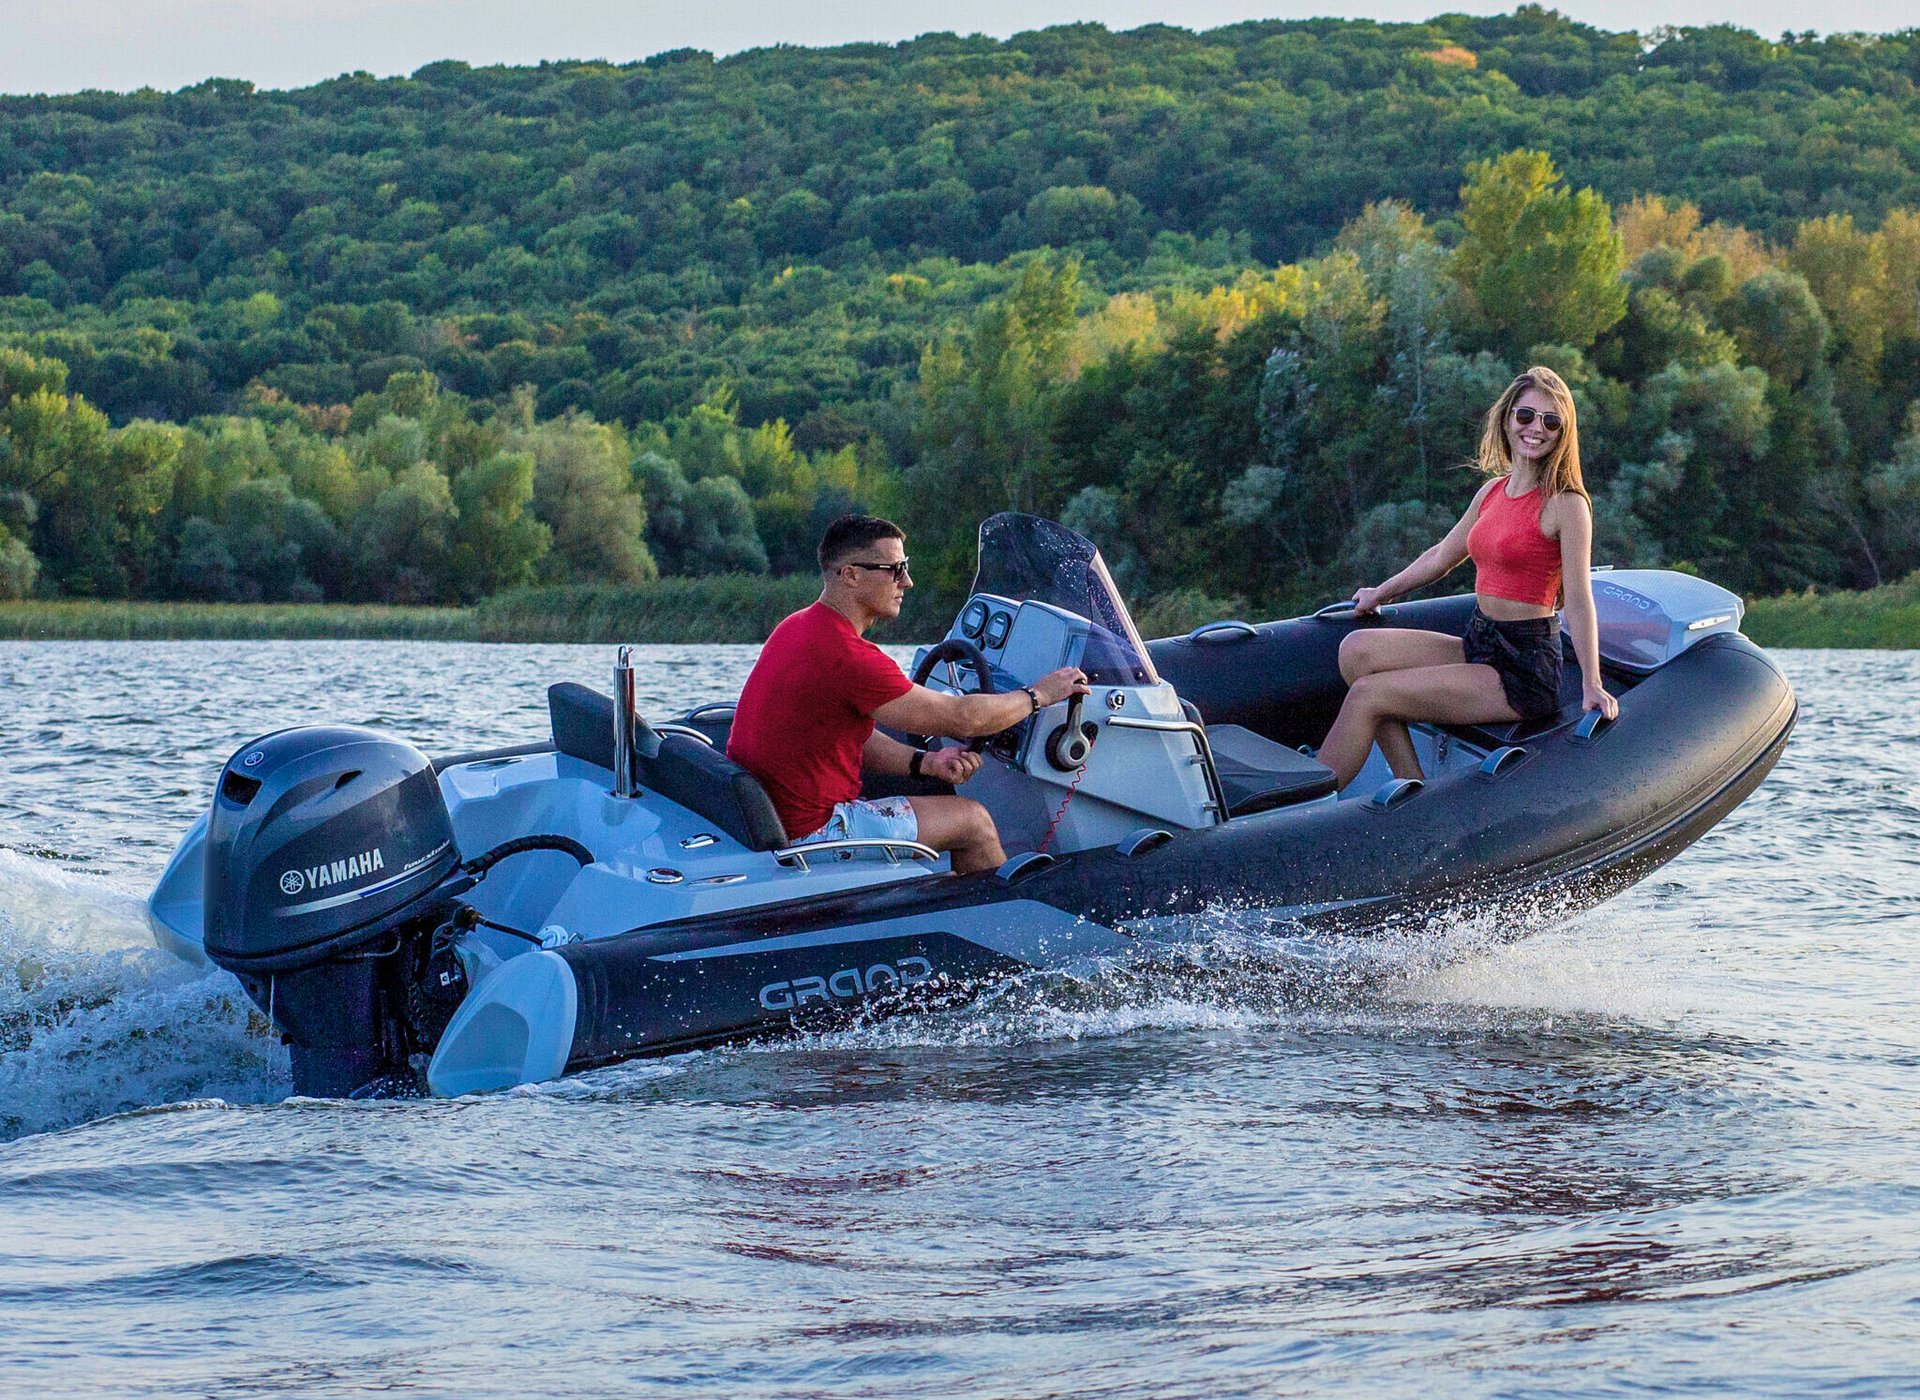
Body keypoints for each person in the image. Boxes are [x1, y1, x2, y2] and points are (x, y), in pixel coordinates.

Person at [726, 514, 1089, 874]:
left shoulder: (797, 626)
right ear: (850, 575)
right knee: (973, 820)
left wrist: (926, 762)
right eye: (894, 570)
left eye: (906, 567)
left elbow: (849, 737)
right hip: (812, 834)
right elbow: (962, 718)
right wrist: (1038, 695)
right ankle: (998, 911)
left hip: (776, 819)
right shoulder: (848, 655)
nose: (908, 581)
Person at [1315, 366, 1619, 789]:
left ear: (1563, 433)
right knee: (1356, 652)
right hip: (1480, 641)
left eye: (1551, 421)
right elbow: (1442, 556)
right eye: (1526, 415)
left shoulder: (1567, 504)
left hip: (1523, 669)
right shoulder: (1492, 492)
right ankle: (1412, 784)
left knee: (1369, 694)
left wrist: (1592, 683)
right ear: (1507, 419)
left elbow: (1580, 599)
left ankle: (1303, 808)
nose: (1536, 429)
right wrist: (1380, 593)